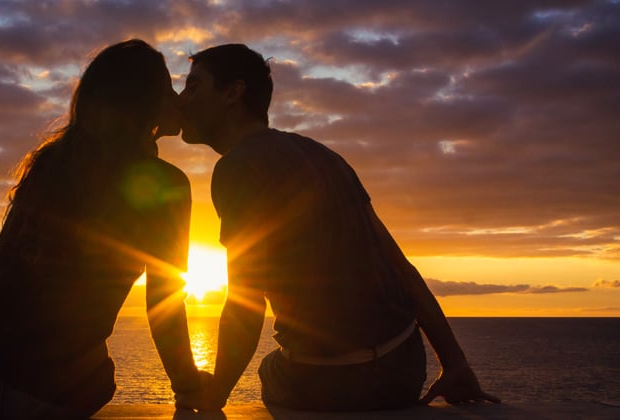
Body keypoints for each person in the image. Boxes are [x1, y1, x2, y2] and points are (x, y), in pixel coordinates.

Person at [175, 44, 500, 412]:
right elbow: (401, 268)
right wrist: (454, 363)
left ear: (233, 93)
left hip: (327, 381)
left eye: (193, 86)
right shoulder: (325, 155)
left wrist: (214, 398)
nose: (181, 101)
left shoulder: (237, 167)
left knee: (270, 369)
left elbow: (245, 304)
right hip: (402, 371)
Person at [0, 39, 205, 418]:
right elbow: (164, 302)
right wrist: (188, 387)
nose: (178, 98)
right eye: (167, 88)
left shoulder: (51, 161)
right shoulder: (167, 183)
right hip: (40, 388)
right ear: (142, 102)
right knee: (100, 380)